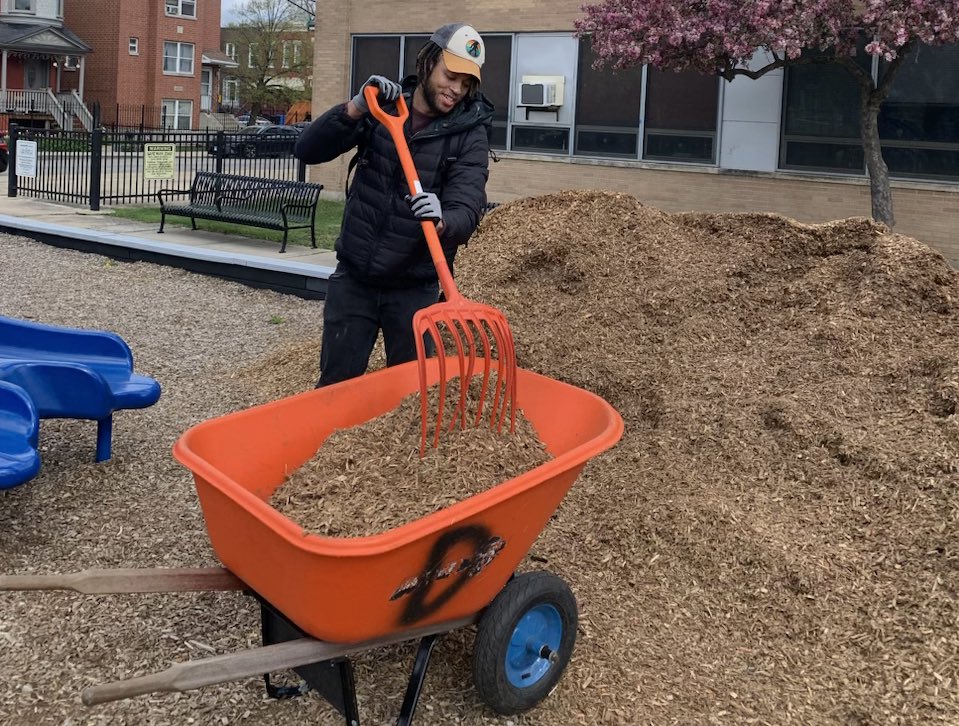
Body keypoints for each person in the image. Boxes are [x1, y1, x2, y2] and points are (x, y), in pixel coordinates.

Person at [295, 23, 494, 387]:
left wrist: (444, 219)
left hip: (415, 288)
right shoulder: (382, 108)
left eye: (466, 84)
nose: (456, 90)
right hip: (355, 276)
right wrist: (355, 108)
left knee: (408, 394)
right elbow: (308, 150)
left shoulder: (470, 133)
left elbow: (468, 205)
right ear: (428, 62)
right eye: (450, 76)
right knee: (336, 385)